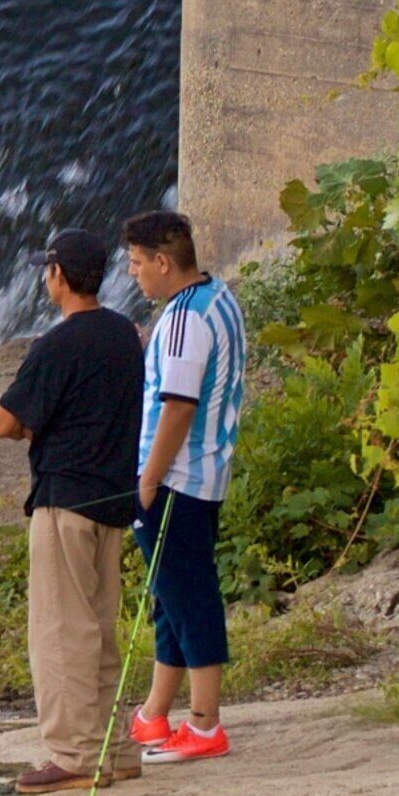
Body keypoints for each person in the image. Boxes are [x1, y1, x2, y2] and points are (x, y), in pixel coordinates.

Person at [0, 230, 146, 793]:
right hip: (112, 500)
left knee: (60, 633)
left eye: (46, 269)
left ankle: (76, 755)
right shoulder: (125, 335)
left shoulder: (56, 344)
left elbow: (3, 423)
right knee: (99, 629)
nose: (44, 278)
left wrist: (35, 427)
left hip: (65, 502)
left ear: (58, 275)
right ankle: (115, 748)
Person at [122, 209, 248, 764]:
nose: (132, 274)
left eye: (136, 263)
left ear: (162, 262)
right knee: (170, 594)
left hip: (176, 478)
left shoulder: (181, 320)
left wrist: (148, 479)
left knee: (190, 597)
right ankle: (155, 713)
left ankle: (204, 722)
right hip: (205, 473)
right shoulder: (218, 298)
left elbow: (178, 406)